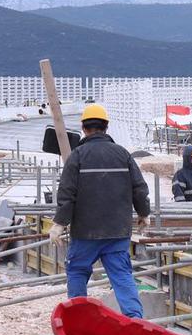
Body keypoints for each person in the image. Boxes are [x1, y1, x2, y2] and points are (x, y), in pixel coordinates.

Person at [49, 103, 151, 318]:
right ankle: (135, 321)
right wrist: (144, 213)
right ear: (106, 127)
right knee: (122, 276)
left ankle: (78, 319)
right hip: (117, 231)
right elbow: (139, 189)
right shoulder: (123, 155)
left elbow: (67, 193)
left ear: (84, 129)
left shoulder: (77, 156)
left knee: (77, 271)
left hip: (86, 232)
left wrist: (59, 223)